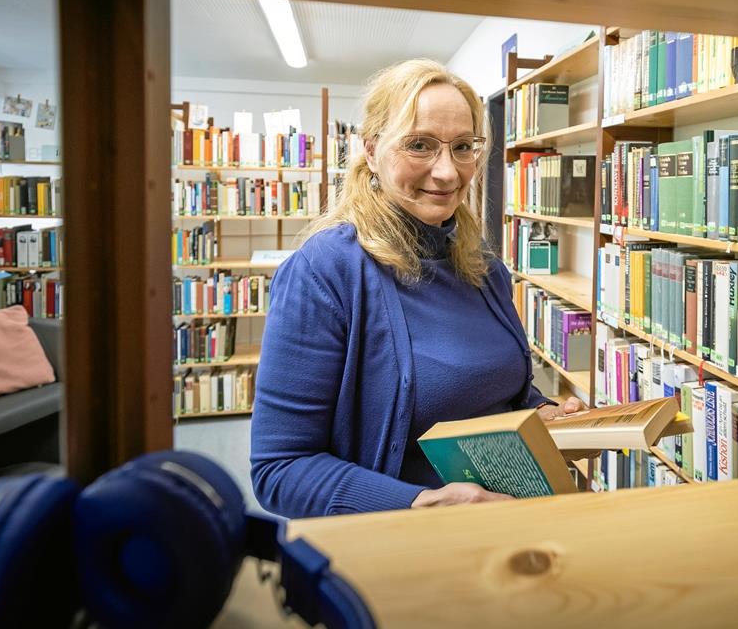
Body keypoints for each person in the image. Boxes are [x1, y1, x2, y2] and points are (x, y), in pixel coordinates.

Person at [250, 59, 585, 518]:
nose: (447, 172)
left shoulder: (483, 267)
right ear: (371, 151)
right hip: (401, 546)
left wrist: (543, 417)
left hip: (514, 529)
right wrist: (419, 503)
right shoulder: (323, 273)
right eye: (420, 145)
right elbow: (281, 469)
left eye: (463, 146)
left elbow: (506, 395)